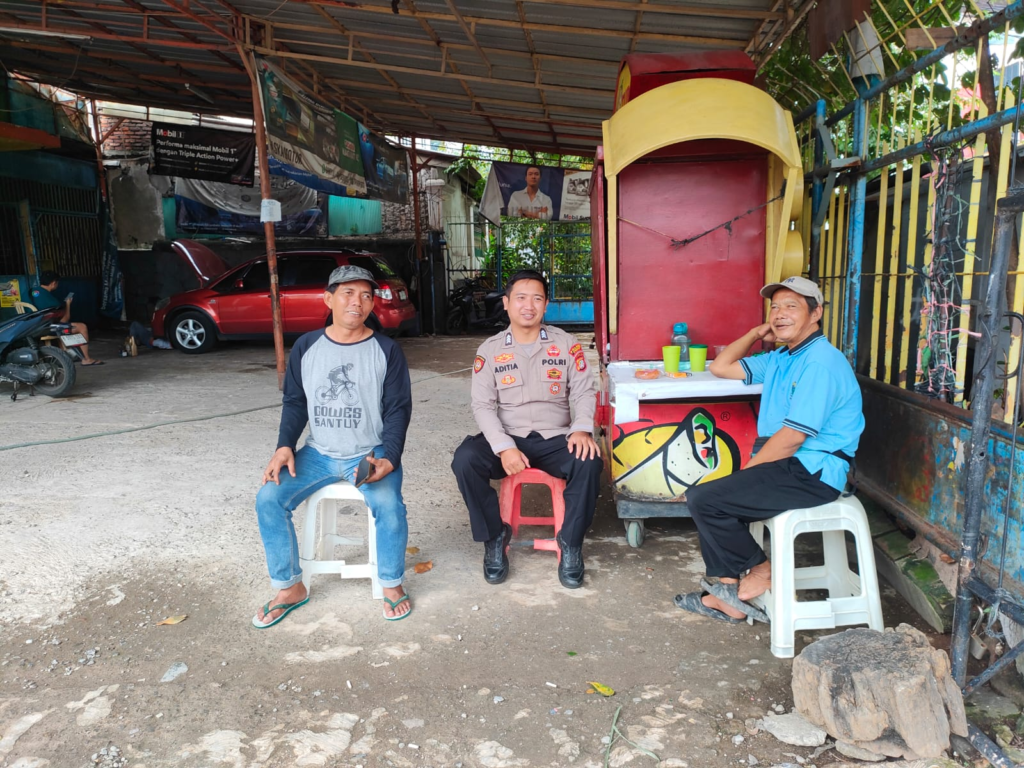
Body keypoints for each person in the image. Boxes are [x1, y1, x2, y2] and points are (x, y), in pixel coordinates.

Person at [673, 276, 865, 623]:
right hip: (790, 465)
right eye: (775, 307)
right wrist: (754, 334)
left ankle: (762, 569)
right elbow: (720, 367)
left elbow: (793, 437)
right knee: (708, 496)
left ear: (816, 313)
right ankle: (728, 594)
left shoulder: (820, 362)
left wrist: (748, 472)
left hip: (814, 472)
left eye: (791, 306)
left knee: (706, 499)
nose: (779, 314)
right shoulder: (781, 358)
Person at [253, 265, 413, 628]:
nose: (358, 302)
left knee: (390, 506)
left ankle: (390, 582)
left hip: (370, 453)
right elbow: (295, 402)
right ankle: (290, 587)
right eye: (348, 293)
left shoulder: (386, 350)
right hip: (318, 453)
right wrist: (284, 446)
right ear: (328, 299)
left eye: (366, 295)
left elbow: (398, 409)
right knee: (268, 498)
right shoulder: (307, 347)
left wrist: (389, 456)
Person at [451, 270, 602, 589]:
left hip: (556, 437)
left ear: (546, 305)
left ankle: (570, 542)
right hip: (509, 437)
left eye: (537, 298)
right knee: (465, 459)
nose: (528, 305)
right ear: (506, 303)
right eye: (520, 298)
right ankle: (495, 536)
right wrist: (504, 446)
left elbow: (584, 391)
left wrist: (581, 428)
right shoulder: (490, 350)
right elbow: (482, 405)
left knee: (588, 460)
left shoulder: (565, 344)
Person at [30, 271, 103, 366]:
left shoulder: (30, 292)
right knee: (81, 327)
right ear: (53, 283)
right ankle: (86, 359)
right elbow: (64, 321)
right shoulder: (52, 301)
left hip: (30, 327)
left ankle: (67, 352)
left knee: (65, 327)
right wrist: (68, 304)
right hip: (46, 328)